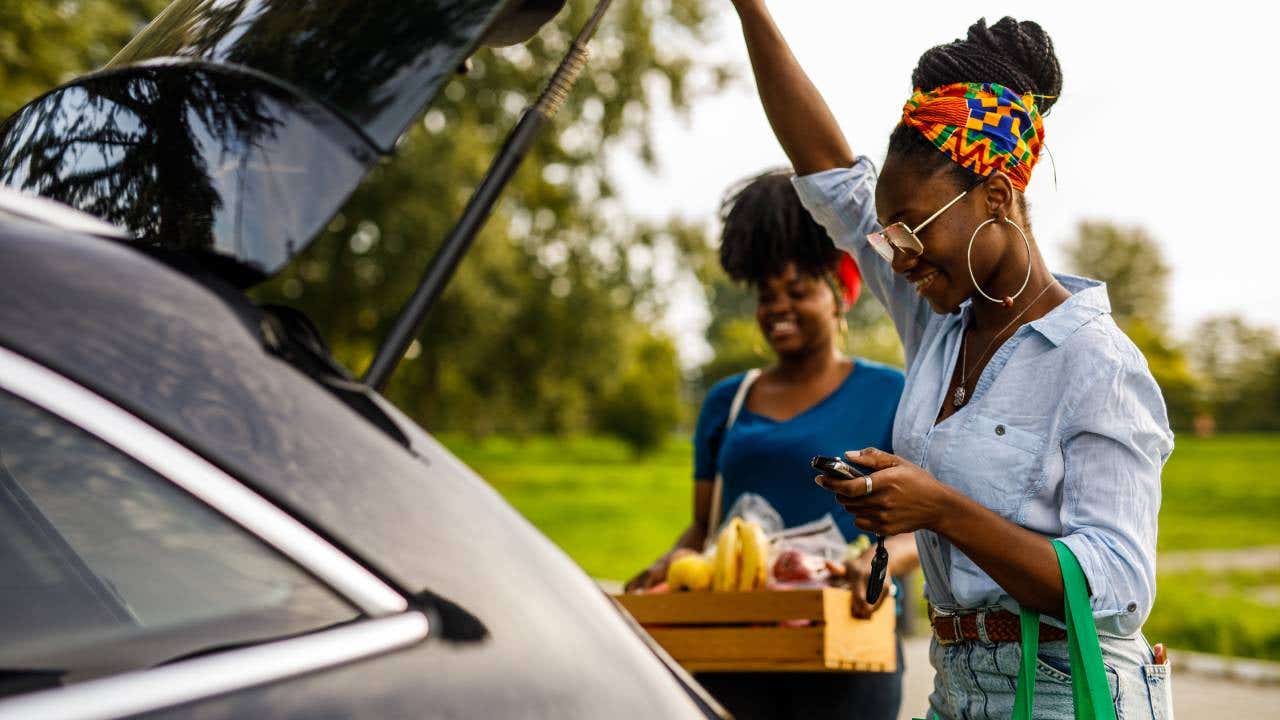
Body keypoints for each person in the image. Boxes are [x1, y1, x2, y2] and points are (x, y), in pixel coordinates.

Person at [726, 2, 1176, 718]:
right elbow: (827, 174)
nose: (897, 256)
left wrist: (939, 509)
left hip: (1066, 692)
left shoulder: (1097, 363)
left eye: (911, 232)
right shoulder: (937, 319)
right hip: (955, 684)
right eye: (888, 235)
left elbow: (1116, 587)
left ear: (997, 197)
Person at [626, 170, 917, 720]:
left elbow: (918, 526)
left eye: (797, 290)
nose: (777, 307)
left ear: (840, 295)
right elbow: (703, 527)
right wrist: (672, 563)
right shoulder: (726, 401)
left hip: (846, 639)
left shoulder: (890, 393)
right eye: (766, 294)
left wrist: (877, 565)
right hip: (734, 640)